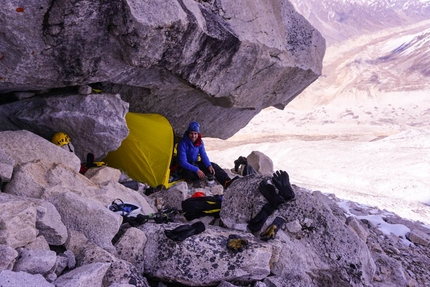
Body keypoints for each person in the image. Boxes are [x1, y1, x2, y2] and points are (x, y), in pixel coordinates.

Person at [177, 121, 237, 188]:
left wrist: (209, 165)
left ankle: (226, 182)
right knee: (189, 174)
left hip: (195, 163)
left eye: (195, 133)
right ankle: (195, 179)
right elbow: (183, 162)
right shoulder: (182, 144)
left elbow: (203, 155)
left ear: (198, 134)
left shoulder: (199, 142)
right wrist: (197, 170)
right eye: (191, 133)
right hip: (185, 167)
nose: (193, 136)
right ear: (188, 133)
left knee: (213, 166)